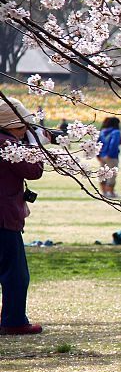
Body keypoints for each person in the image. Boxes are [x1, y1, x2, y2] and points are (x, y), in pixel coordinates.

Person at [0, 98, 44, 335]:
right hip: (4, 217)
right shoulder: (8, 144)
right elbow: (33, 171)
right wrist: (34, 145)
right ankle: (13, 320)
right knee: (15, 273)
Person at [97, 117, 121, 198]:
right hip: (112, 156)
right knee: (112, 174)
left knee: (103, 174)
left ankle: (104, 192)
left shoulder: (103, 131)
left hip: (102, 156)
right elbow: (113, 144)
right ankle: (110, 192)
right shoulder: (116, 132)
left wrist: (98, 155)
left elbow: (98, 143)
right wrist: (110, 154)